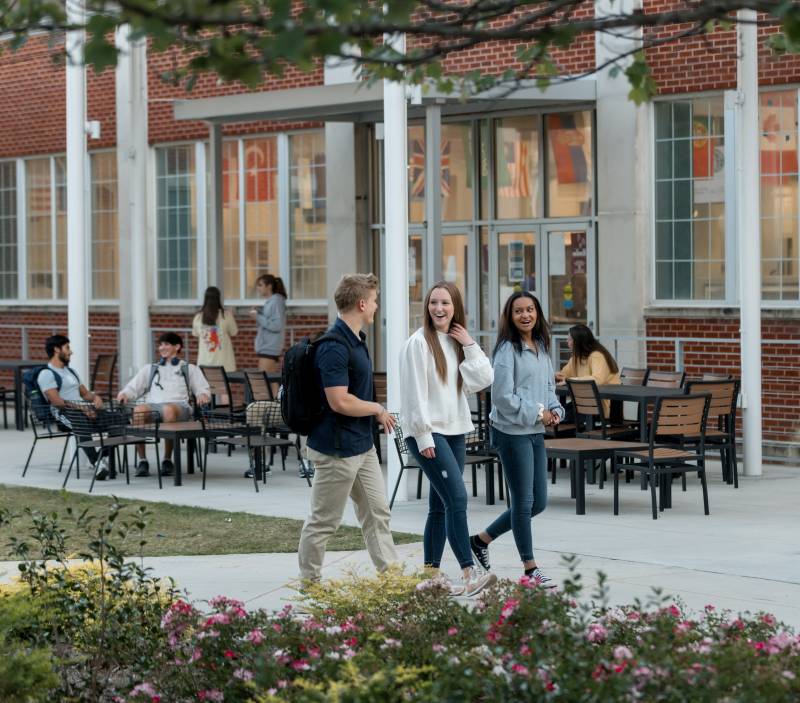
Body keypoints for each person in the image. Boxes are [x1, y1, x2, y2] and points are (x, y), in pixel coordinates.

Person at [298, 273, 398, 582]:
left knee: (377, 513)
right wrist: (377, 409)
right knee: (323, 521)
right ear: (362, 303)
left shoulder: (355, 341)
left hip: (361, 445)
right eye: (375, 300)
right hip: (336, 449)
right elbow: (339, 401)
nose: (378, 306)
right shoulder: (334, 346)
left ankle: (393, 580)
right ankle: (310, 586)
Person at [399, 281, 495, 597]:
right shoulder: (418, 343)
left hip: (454, 431)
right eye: (434, 303)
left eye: (445, 303)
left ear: (455, 307)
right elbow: (413, 395)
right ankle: (469, 573)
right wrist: (424, 435)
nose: (439, 309)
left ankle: (432, 578)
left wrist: (469, 343)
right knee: (457, 499)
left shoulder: (455, 342)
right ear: (427, 307)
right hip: (429, 433)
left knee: (440, 506)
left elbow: (484, 378)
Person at [469, 292, 562, 587]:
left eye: (530, 309)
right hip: (511, 432)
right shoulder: (507, 350)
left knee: (538, 503)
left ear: (537, 313)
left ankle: (481, 541)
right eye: (518, 311)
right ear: (510, 317)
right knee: (523, 502)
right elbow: (502, 397)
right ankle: (530, 568)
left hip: (534, 431)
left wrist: (555, 408)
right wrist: (539, 414)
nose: (525, 315)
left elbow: (548, 388)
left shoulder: (542, 347)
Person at [116, 332, 211, 478]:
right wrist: (124, 394)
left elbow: (202, 388)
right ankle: (142, 461)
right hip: (154, 405)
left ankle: (167, 460)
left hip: (179, 406)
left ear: (177, 346)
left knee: (168, 410)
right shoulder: (151, 368)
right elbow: (133, 387)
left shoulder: (189, 368)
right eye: (160, 344)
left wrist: (202, 395)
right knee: (138, 410)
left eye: (166, 344)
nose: (162, 347)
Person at [37, 335, 111, 480]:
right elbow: (57, 402)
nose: (71, 352)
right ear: (56, 349)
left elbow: (85, 394)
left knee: (119, 420)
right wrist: (82, 408)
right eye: (67, 348)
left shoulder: (71, 372)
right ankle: (97, 464)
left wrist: (96, 398)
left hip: (84, 409)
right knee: (81, 424)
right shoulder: (46, 374)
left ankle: (103, 456)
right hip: (63, 413)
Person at [555, 323, 621, 420]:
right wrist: (556, 376)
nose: (566, 341)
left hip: (600, 407)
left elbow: (597, 379)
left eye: (569, 339)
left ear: (578, 342)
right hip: (585, 403)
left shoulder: (597, 355)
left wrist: (570, 380)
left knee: (558, 418)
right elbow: (565, 374)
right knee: (556, 415)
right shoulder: (577, 357)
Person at [250, 273, 287, 396]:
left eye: (260, 285)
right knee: (271, 380)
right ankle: (276, 408)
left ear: (269, 286)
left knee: (263, 381)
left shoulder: (276, 301)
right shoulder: (272, 302)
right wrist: (260, 312)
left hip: (269, 347)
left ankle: (267, 409)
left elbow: (276, 325)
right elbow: (271, 320)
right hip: (268, 346)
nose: (258, 288)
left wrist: (258, 316)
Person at [192, 286, 238, 372]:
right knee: (224, 385)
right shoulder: (226, 315)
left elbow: (195, 334)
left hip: (204, 363)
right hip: (225, 364)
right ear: (218, 298)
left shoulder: (198, 317)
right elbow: (234, 332)